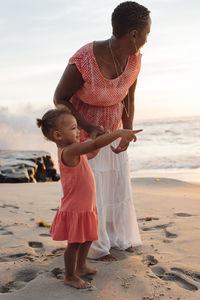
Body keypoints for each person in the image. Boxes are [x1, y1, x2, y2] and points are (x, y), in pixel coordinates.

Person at [53, 1, 151, 260]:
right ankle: (94, 245)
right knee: (91, 190)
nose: (146, 38)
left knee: (116, 187)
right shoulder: (86, 58)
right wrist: (88, 128)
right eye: (146, 33)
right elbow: (59, 97)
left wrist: (127, 132)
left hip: (113, 129)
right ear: (133, 34)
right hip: (84, 131)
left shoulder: (134, 60)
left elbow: (128, 97)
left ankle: (116, 237)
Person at [36, 106, 142, 289]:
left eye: (77, 127)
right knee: (75, 244)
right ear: (58, 135)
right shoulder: (68, 152)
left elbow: (92, 152)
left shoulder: (75, 150)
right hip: (76, 207)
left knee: (88, 238)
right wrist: (118, 133)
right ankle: (70, 275)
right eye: (73, 128)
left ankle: (82, 266)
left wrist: (100, 139)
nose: (78, 131)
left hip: (86, 206)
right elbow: (92, 145)